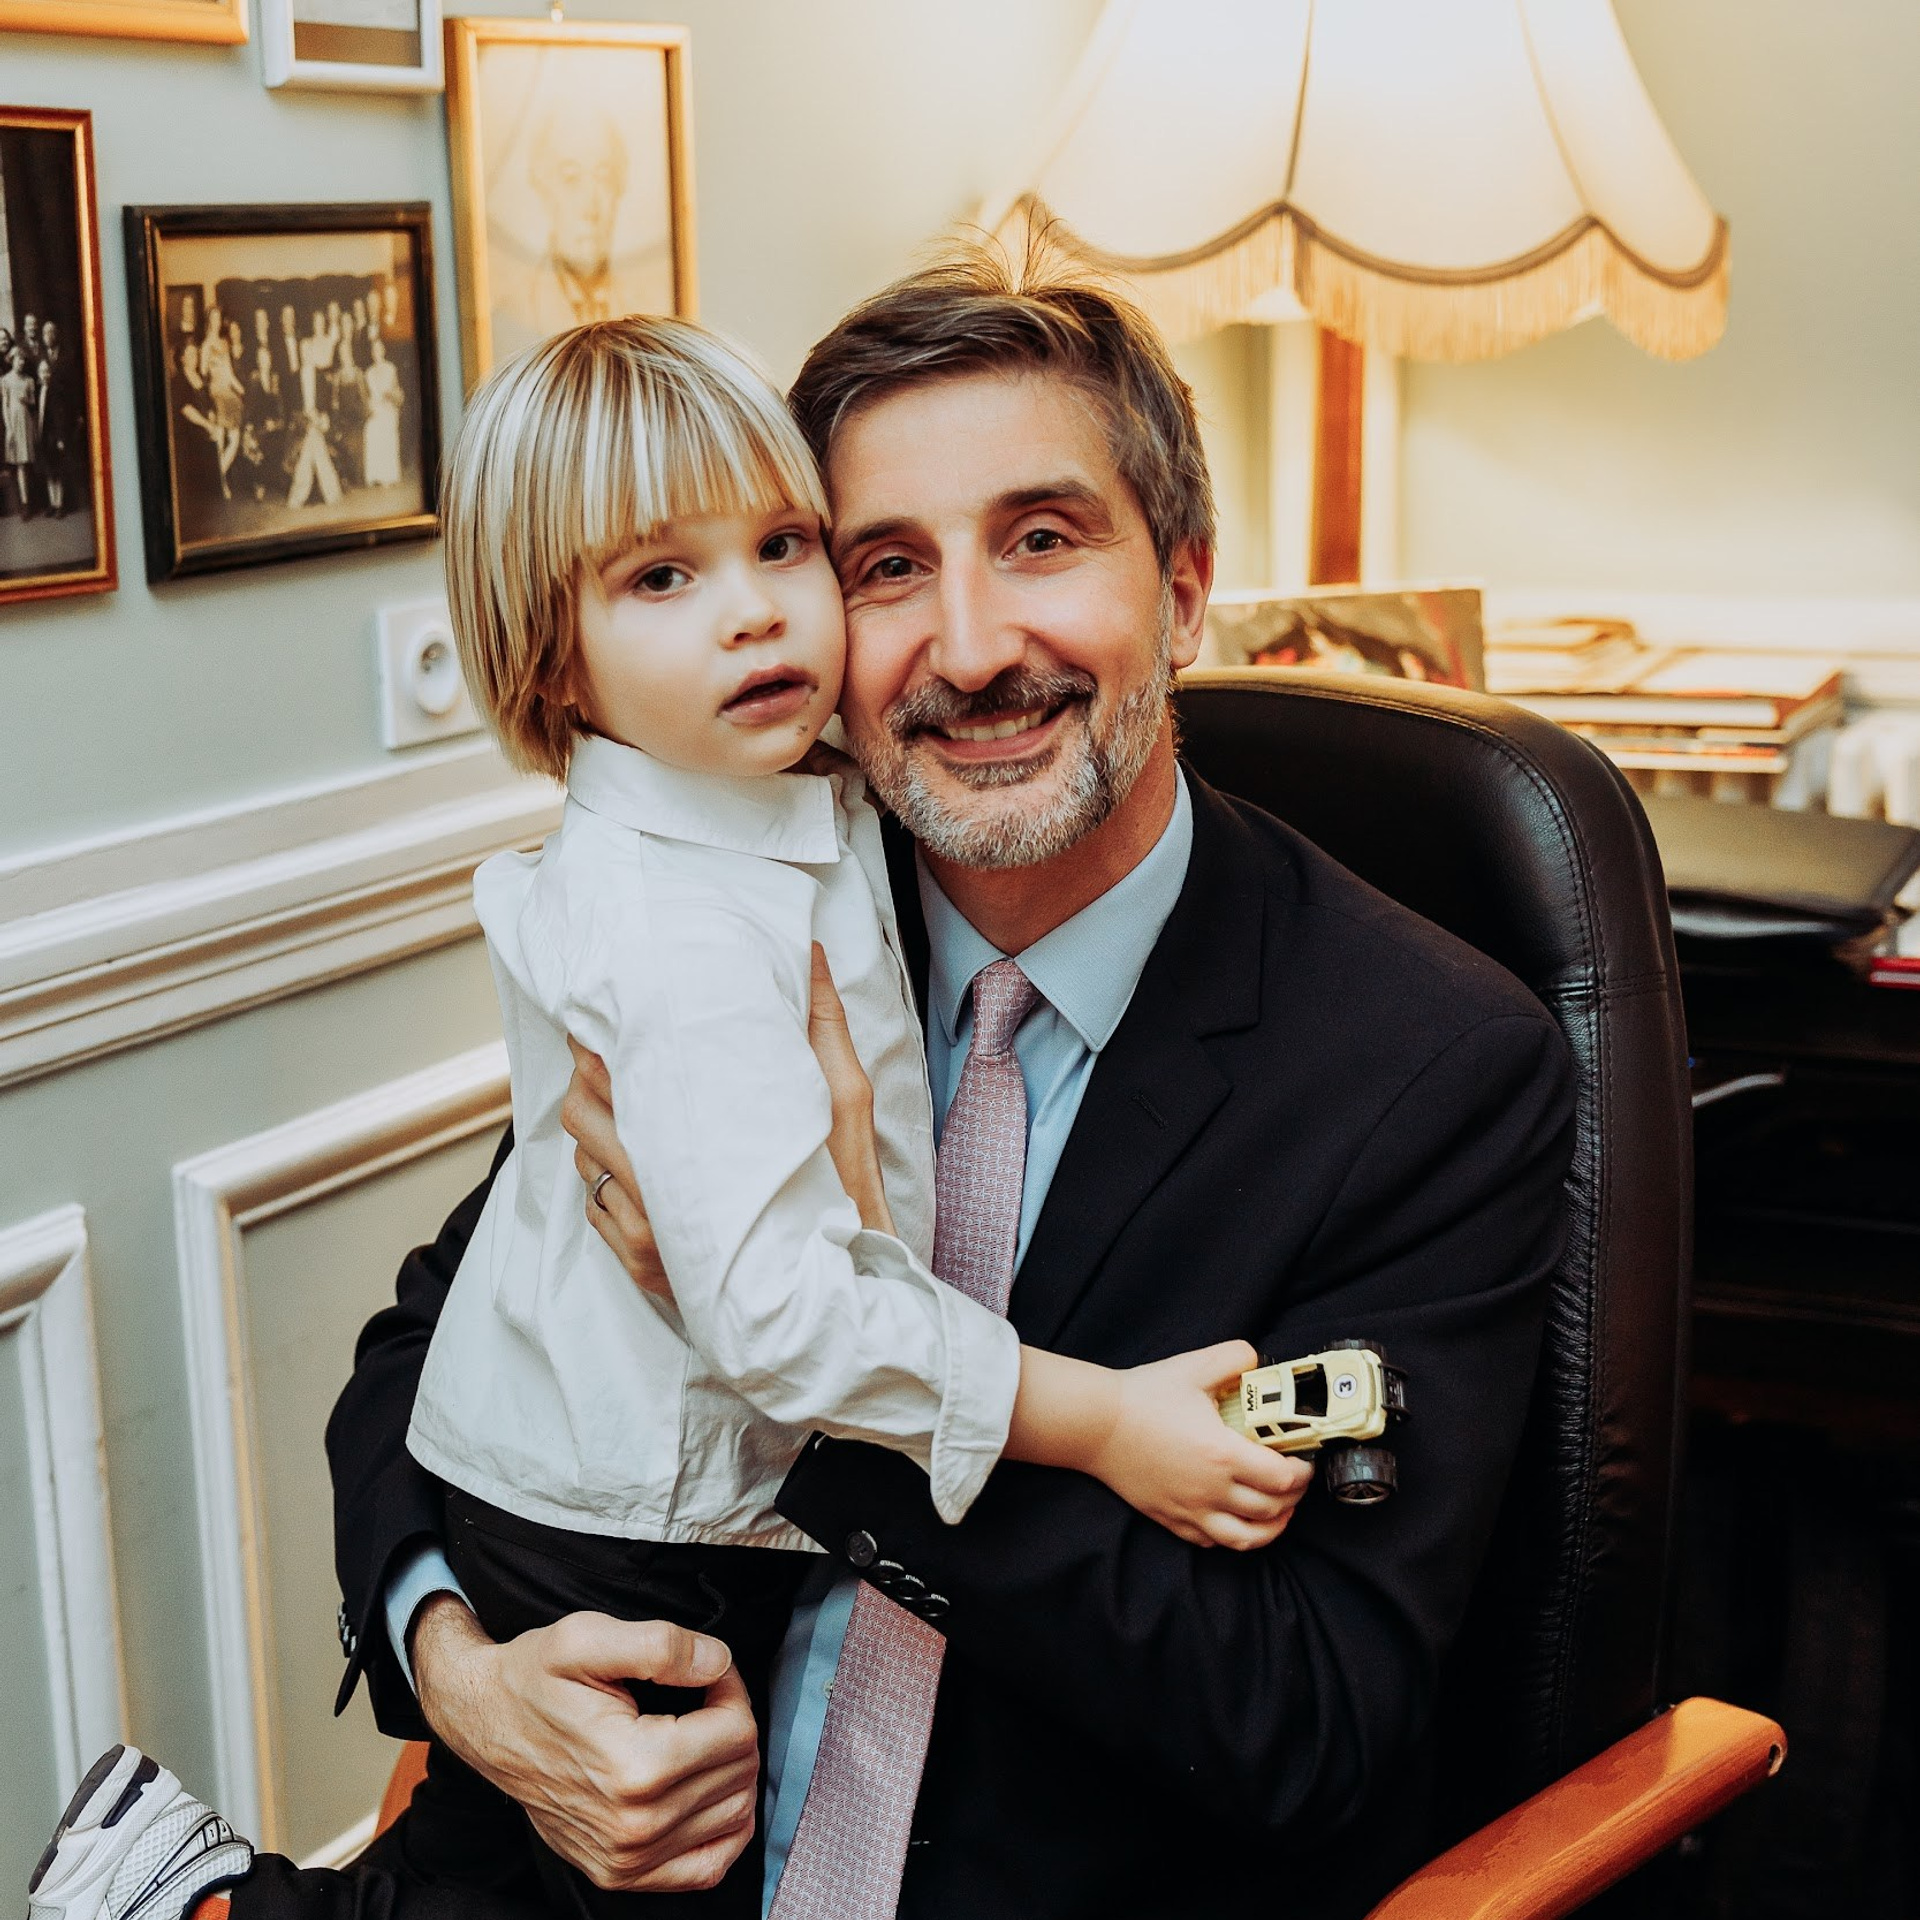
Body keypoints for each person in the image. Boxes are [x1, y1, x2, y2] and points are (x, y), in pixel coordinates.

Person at [40, 250, 1575, 1920]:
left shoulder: (1434, 1069)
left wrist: (812, 1404)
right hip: (580, 1860)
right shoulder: (753, 921)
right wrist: (466, 1675)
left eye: (1043, 541)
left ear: (1187, 586)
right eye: (886, 565)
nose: (973, 647)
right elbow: (432, 1342)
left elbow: (1309, 1725)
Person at [361, 335, 401, 488]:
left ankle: (387, 476)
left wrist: (390, 396)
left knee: (386, 427)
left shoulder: (391, 368)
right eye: (374, 350)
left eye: (379, 349)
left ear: (383, 351)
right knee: (370, 429)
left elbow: (396, 390)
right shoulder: (369, 372)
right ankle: (374, 475)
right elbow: (367, 396)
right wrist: (371, 407)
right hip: (375, 408)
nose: (376, 352)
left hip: (388, 408)